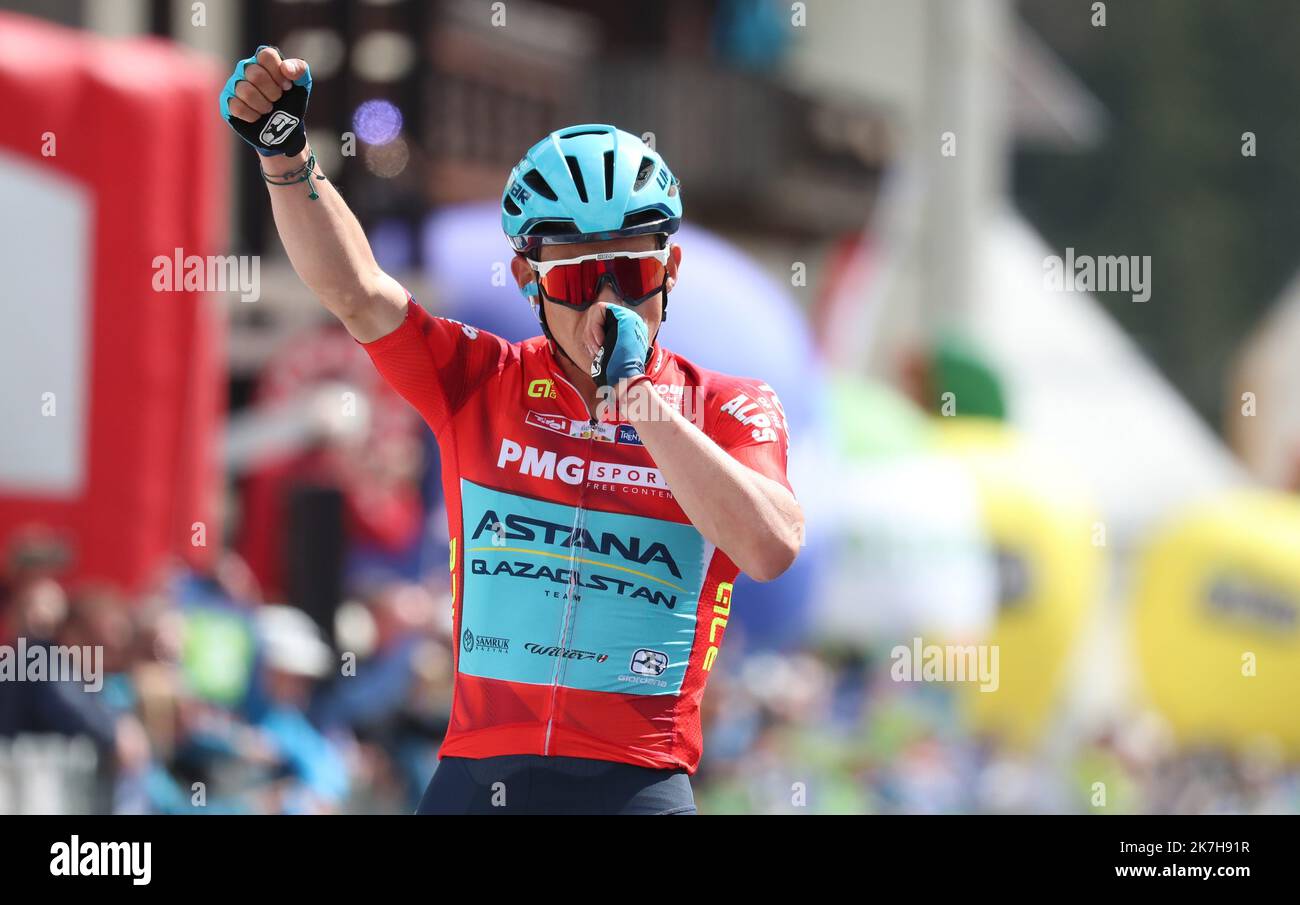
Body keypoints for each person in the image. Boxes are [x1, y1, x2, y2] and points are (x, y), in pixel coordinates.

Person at [221, 46, 804, 814]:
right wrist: (286, 158)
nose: (605, 307)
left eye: (629, 275)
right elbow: (357, 292)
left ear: (672, 268)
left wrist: (642, 403)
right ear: (527, 278)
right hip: (478, 776)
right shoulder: (481, 381)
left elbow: (769, 546)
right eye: (572, 279)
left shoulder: (728, 404)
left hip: (636, 782)